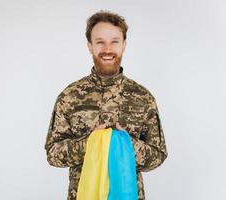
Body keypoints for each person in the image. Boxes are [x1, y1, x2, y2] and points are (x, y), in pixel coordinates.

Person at [44, 10, 168, 200]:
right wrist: (91, 142)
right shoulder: (69, 96)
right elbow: (53, 154)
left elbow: (158, 156)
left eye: (114, 41)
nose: (107, 49)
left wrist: (124, 143)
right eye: (100, 42)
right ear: (90, 46)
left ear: (124, 45)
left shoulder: (143, 97)